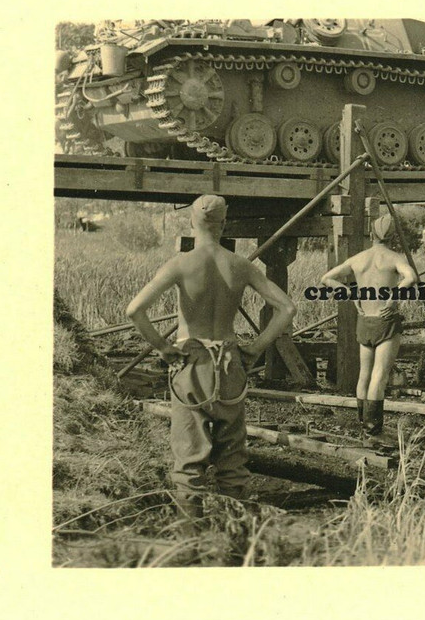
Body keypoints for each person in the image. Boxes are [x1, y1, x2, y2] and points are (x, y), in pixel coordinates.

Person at [126, 195, 297, 522]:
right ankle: (235, 536)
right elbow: (287, 308)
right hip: (230, 364)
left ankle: (194, 540)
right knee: (233, 463)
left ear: (192, 221)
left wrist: (162, 348)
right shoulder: (240, 265)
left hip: (192, 364)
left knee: (189, 463)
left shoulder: (180, 264)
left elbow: (135, 310)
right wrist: (256, 347)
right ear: (224, 224)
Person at [320, 212, 417, 440]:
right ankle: (373, 430)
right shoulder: (394, 258)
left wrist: (350, 293)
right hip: (385, 320)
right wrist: (393, 297)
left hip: (365, 320)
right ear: (392, 237)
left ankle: (363, 423)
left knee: (364, 374)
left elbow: (326, 278)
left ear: (371, 234)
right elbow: (411, 278)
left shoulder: (358, 258)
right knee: (379, 376)